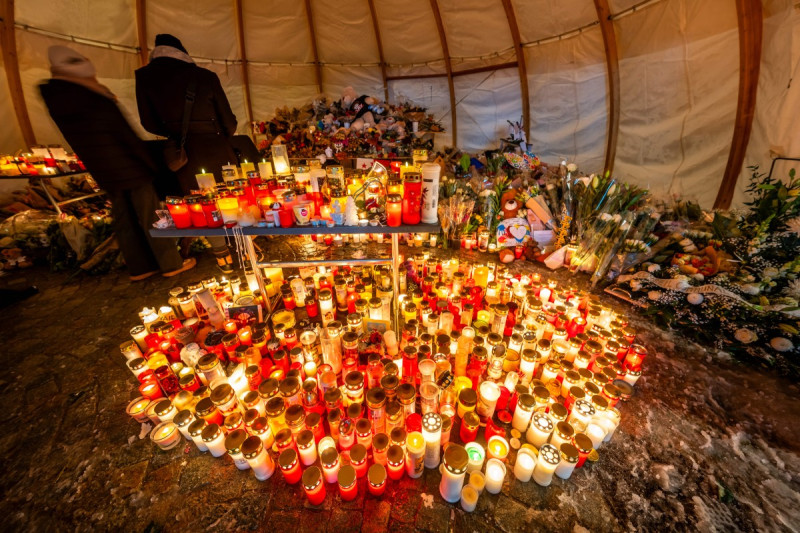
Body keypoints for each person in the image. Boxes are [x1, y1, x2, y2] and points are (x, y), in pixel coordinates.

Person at [40, 46, 195, 281]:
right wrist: (151, 163)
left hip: (103, 168)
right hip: (129, 165)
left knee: (124, 219)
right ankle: (171, 263)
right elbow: (124, 134)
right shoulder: (92, 95)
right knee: (152, 215)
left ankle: (141, 268)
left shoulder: (58, 98)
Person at [135, 34, 237, 274]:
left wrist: (177, 134)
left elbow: (148, 123)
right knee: (230, 197)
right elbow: (229, 123)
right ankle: (242, 245)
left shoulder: (144, 77)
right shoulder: (205, 77)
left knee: (201, 204)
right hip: (216, 149)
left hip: (183, 155)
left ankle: (223, 257)